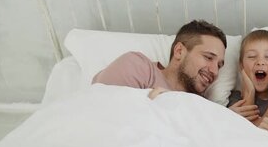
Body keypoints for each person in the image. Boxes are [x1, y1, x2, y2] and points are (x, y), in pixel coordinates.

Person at [93, 20, 227, 96]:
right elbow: (103, 108)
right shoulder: (138, 66)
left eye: (219, 65)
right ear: (179, 51)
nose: (215, 71)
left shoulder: (203, 106)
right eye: (208, 57)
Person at [227, 30, 268, 123]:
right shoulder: (233, 99)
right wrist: (249, 92)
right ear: (241, 65)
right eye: (252, 56)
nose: (260, 62)